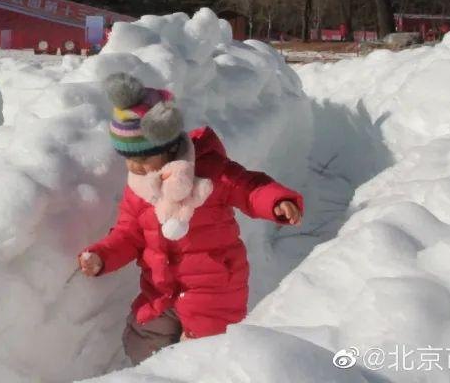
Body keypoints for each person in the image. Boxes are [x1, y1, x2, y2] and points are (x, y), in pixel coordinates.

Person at [78, 73, 304, 364]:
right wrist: (102, 256)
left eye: (144, 158)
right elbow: (128, 234)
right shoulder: (139, 187)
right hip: (161, 289)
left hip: (215, 290)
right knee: (141, 341)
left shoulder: (211, 171)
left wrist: (277, 202)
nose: (136, 167)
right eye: (129, 159)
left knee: (202, 360)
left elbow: (249, 188)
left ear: (168, 147)